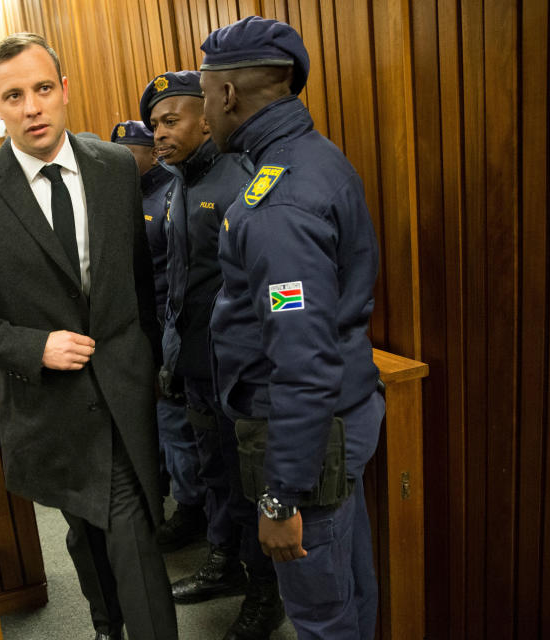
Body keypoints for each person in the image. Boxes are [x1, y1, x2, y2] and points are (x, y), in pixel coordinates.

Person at [0, 33, 177, 640]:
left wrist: (152, 372)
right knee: (87, 525)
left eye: (42, 89)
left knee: (131, 527)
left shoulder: (115, 167)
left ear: (63, 90)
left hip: (123, 390)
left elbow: (139, 285)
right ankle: (105, 624)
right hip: (49, 403)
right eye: (14, 96)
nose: (32, 107)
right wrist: (33, 347)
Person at [200, 17, 385, 640]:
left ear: (227, 95)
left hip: (305, 440)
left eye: (204, 94)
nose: (203, 113)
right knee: (350, 590)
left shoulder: (276, 202)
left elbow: (302, 361)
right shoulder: (312, 155)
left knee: (320, 614)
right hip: (334, 423)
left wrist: (281, 497)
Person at [141, 69, 284, 638]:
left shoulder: (240, 181)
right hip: (196, 367)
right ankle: (224, 562)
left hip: (237, 373)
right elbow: (179, 285)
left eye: (171, 120)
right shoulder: (178, 182)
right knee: (216, 476)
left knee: (250, 486)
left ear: (206, 118)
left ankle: (264, 592)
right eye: (154, 124)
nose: (159, 133)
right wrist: (173, 363)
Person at [111, 119, 209, 552]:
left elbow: (175, 276)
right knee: (153, 429)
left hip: (169, 333)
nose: (118, 163)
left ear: (150, 153)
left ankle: (192, 513)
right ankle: (167, 501)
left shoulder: (169, 194)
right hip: (136, 336)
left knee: (176, 431)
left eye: (127, 153)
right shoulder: (121, 198)